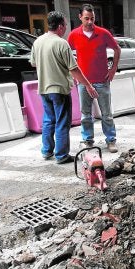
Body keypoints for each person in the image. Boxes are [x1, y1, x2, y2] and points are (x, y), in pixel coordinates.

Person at [30, 11, 98, 164]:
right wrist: (88, 85)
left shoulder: (38, 42)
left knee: (48, 120)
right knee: (62, 122)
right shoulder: (61, 43)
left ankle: (47, 151)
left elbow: (34, 63)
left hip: (44, 89)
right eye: (65, 25)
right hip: (59, 89)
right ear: (60, 26)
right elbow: (74, 69)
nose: (66, 28)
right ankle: (61, 155)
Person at [68, 3, 121, 153]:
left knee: (107, 114)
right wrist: (72, 74)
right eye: (87, 18)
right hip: (84, 83)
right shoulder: (74, 35)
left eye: (92, 18)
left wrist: (113, 69)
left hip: (102, 81)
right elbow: (67, 55)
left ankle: (111, 140)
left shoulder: (103, 33)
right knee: (85, 115)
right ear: (80, 18)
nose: (90, 22)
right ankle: (87, 140)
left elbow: (117, 49)